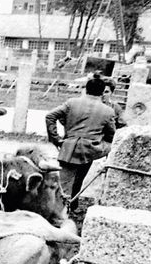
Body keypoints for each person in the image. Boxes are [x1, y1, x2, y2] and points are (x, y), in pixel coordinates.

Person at [46, 75, 116, 211]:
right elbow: (112, 134)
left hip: (68, 147)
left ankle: (61, 208)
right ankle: (69, 206)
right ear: (102, 93)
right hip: (91, 150)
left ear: (86, 89)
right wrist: (102, 144)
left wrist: (56, 138)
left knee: (64, 183)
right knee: (80, 178)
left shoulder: (71, 103)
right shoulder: (108, 111)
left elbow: (50, 116)